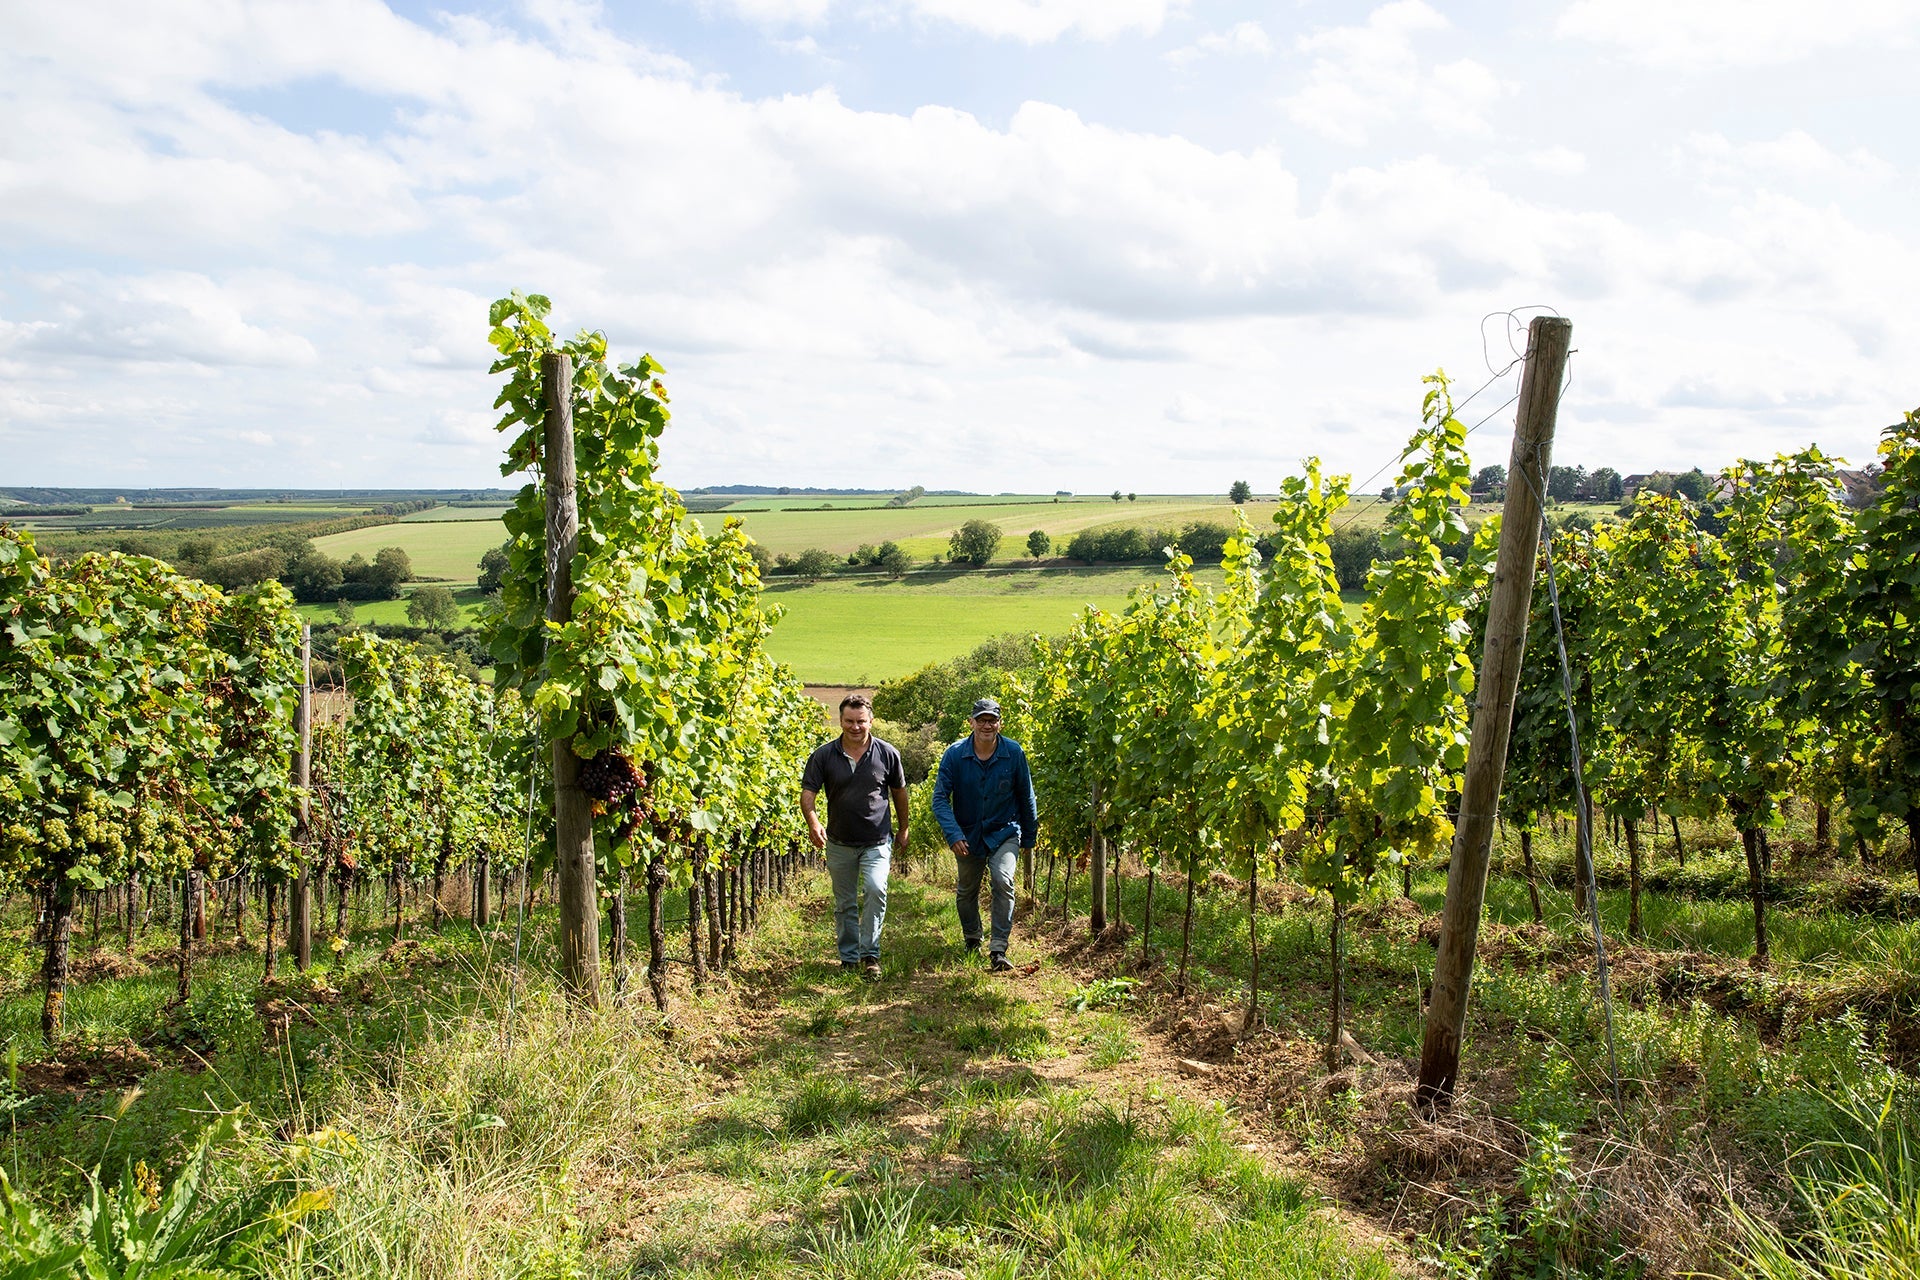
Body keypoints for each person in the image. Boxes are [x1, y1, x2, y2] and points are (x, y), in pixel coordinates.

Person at [800, 693, 908, 978]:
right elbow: (808, 793)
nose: (855, 727)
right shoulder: (823, 755)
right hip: (838, 842)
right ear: (841, 721)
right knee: (845, 902)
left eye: (861, 721)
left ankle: (870, 955)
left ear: (871, 721)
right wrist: (813, 822)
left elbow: (899, 793)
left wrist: (904, 828)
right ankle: (849, 958)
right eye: (849, 721)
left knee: (875, 890)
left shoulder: (887, 753)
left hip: (877, 840)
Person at [931, 697, 1038, 973]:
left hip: (1004, 832)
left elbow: (1026, 797)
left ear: (1000, 724)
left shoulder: (1014, 753)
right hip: (967, 835)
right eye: (982, 719)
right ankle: (972, 939)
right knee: (967, 890)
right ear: (972, 722)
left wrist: (1029, 838)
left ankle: (998, 948)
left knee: (1003, 881)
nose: (987, 725)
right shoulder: (954, 754)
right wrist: (954, 834)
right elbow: (940, 799)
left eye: (992, 720)